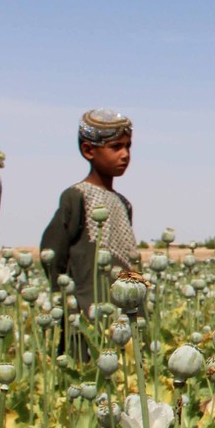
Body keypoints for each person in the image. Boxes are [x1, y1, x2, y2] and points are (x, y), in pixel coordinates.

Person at [40, 109, 139, 331]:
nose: (125, 154)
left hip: (123, 311)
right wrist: (67, 302)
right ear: (88, 150)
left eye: (128, 146)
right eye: (116, 147)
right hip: (86, 316)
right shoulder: (76, 197)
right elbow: (52, 254)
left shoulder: (124, 204)